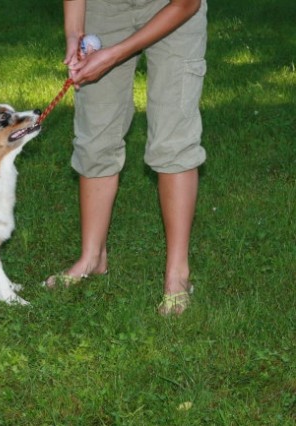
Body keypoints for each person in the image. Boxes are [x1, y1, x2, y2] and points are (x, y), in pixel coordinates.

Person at [45, 0, 208, 315]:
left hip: (174, 7)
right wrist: (74, 34)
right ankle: (92, 259)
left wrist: (115, 54)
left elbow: (187, 3)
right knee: (96, 135)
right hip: (104, 8)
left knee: (173, 140)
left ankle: (177, 276)